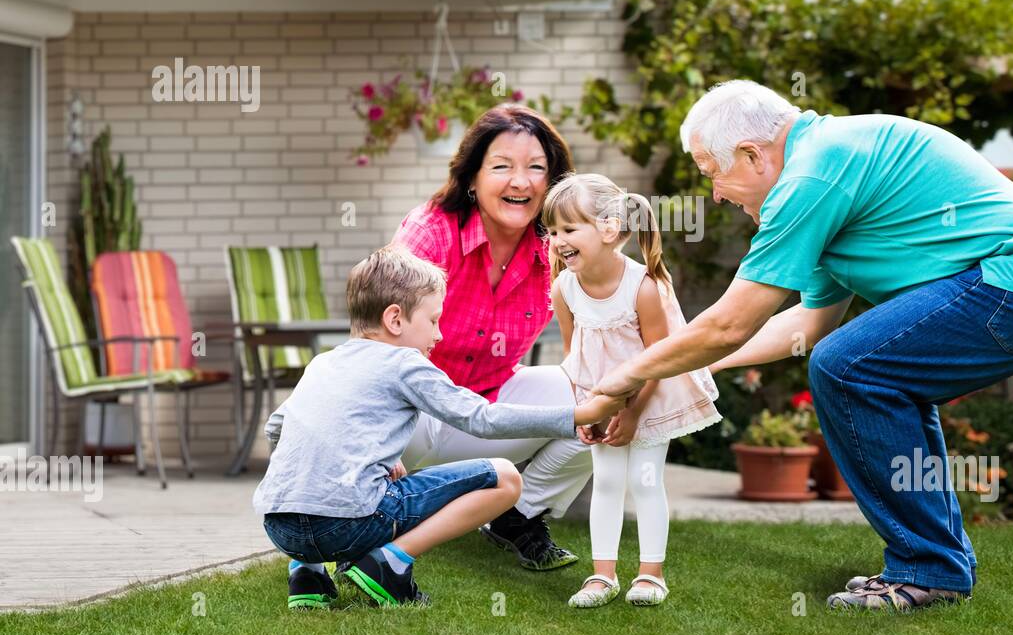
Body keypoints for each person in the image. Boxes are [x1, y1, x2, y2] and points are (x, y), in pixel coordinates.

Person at [593, 80, 1013, 612]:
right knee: (869, 370)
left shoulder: (812, 173)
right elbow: (806, 323)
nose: (717, 193)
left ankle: (927, 569)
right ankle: (937, 567)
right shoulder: (827, 164)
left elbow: (730, 322)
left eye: (712, 173)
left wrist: (622, 378)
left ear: (752, 155)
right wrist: (686, 368)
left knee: (848, 367)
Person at [253, 246, 625, 608]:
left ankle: (308, 573)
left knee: (331, 496)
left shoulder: (323, 363)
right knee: (505, 477)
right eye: (433, 320)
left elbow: (276, 428)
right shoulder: (405, 364)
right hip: (348, 526)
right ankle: (389, 563)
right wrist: (577, 414)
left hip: (281, 528)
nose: (440, 334)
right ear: (395, 319)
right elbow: (481, 418)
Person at [391, 105, 591, 572]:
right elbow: (384, 342)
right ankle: (385, 514)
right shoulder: (431, 231)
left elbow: (590, 340)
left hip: (482, 413)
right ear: (472, 178)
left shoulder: (556, 248)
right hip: (410, 418)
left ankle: (516, 517)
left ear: (553, 183)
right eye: (502, 167)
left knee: (597, 395)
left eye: (536, 168)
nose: (520, 182)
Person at [543, 173, 721, 608]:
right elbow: (574, 355)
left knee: (644, 480)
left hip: (649, 396)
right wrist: (585, 410)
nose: (557, 240)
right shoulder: (564, 288)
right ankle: (602, 576)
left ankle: (650, 574)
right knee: (605, 480)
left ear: (607, 229)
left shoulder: (643, 287)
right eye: (551, 231)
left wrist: (634, 412)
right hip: (600, 400)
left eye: (568, 229)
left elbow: (660, 359)